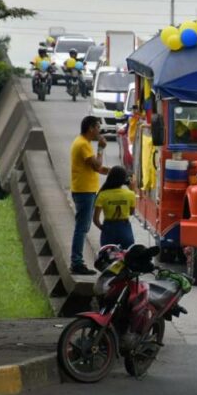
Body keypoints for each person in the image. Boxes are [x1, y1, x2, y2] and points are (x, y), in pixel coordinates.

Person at [70, 116, 109, 275]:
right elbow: (96, 165)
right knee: (82, 228)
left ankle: (76, 261)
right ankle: (77, 262)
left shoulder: (82, 143)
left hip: (85, 190)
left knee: (83, 226)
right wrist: (100, 148)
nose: (99, 131)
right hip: (84, 191)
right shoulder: (83, 145)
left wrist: (111, 172)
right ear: (91, 128)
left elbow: (96, 168)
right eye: (98, 127)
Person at [93, 166, 136, 249]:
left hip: (108, 229)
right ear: (124, 180)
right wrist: (133, 190)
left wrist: (104, 229)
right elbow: (131, 212)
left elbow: (95, 220)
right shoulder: (130, 194)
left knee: (107, 258)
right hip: (125, 230)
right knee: (126, 257)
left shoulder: (103, 195)